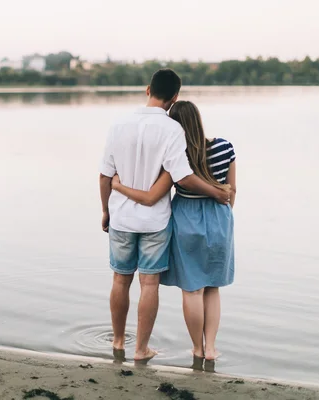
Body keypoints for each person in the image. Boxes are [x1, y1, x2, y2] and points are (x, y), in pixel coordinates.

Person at [99, 70, 230, 362]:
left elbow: (105, 174)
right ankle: (141, 349)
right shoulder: (173, 131)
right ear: (175, 97)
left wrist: (106, 209)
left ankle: (118, 341)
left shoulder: (118, 124)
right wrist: (217, 192)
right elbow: (182, 176)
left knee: (120, 280)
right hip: (155, 222)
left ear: (148, 89)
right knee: (149, 284)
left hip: (121, 216)